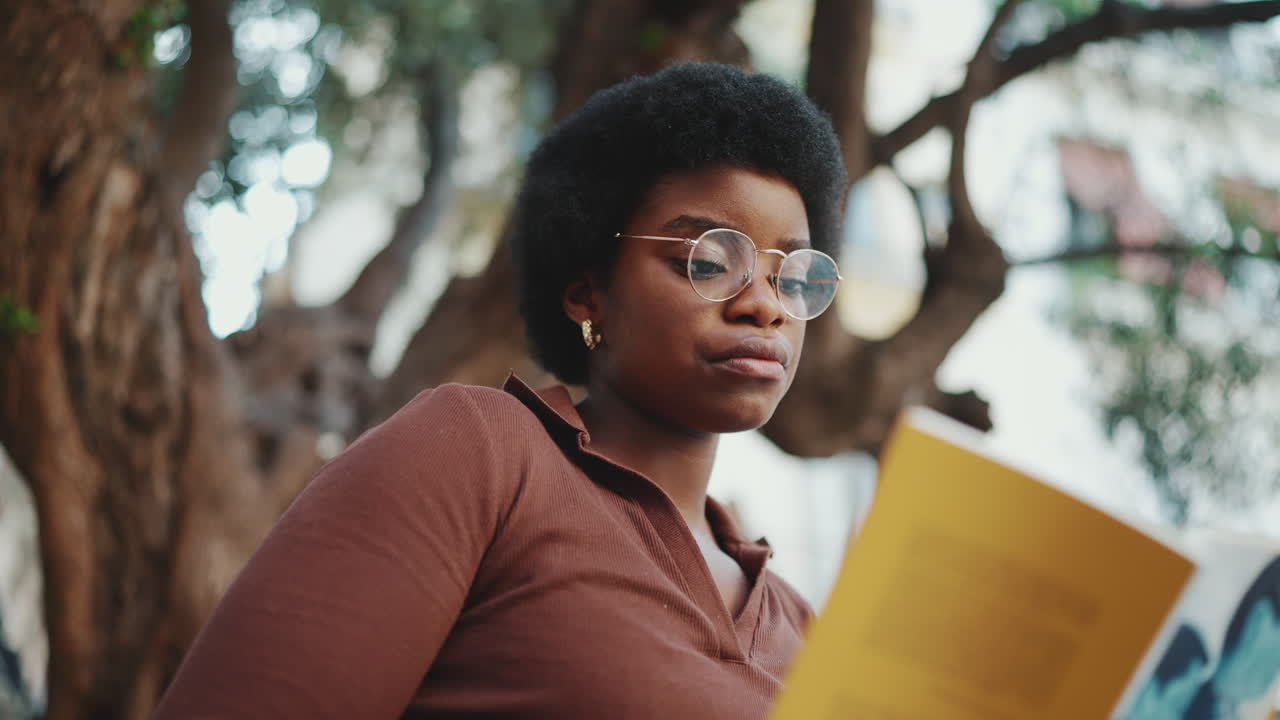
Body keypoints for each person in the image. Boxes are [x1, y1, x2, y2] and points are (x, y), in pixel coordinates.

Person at [154, 61, 848, 719]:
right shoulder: (478, 455)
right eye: (709, 262)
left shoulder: (803, 629)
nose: (766, 306)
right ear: (588, 293)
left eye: (790, 277)